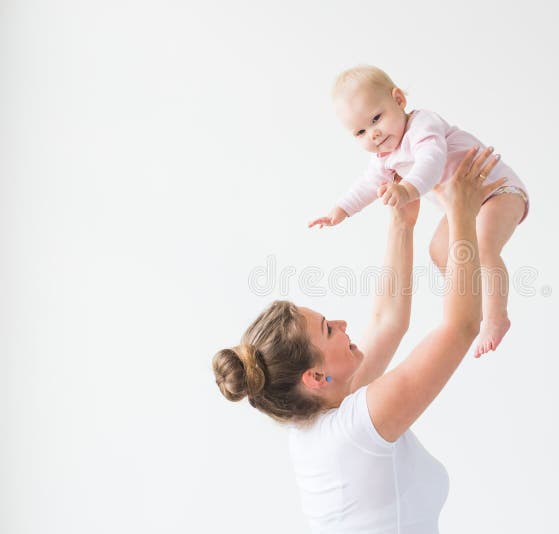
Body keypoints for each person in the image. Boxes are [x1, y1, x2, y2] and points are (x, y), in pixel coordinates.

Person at [215, 147, 504, 533]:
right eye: (328, 329)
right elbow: (460, 328)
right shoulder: (354, 429)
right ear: (315, 377)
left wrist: (402, 223)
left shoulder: (319, 416)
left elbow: (388, 320)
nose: (342, 322)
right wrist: (462, 215)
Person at [308, 65, 529, 357]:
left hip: (497, 192)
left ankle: (496, 316)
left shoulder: (422, 125)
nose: (373, 134)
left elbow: (431, 161)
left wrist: (407, 190)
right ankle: (469, 300)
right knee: (439, 251)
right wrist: (341, 210)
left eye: (376, 118)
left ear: (399, 100)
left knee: (483, 247)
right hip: (461, 207)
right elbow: (367, 184)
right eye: (360, 131)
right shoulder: (384, 157)